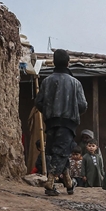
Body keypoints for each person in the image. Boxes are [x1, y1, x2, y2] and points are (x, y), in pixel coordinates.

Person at [34, 49, 88, 196]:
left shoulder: (46, 81)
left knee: (58, 151)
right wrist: (73, 111)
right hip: (68, 123)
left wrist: (48, 111)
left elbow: (38, 102)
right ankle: (50, 182)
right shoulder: (75, 83)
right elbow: (83, 105)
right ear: (68, 63)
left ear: (54, 62)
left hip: (51, 122)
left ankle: (69, 183)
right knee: (61, 152)